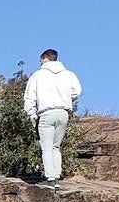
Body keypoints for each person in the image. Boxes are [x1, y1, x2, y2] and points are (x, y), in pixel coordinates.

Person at [22, 49, 82, 182]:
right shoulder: (68, 74)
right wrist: (64, 97)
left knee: (46, 147)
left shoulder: (38, 75)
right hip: (63, 113)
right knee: (56, 146)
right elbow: (77, 91)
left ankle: (50, 177)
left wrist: (32, 114)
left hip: (46, 113)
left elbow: (29, 97)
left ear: (44, 58)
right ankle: (57, 174)